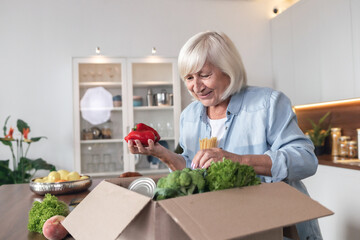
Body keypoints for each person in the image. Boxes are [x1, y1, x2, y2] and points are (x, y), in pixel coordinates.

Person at [128, 31, 322, 240]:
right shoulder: (190, 116)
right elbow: (194, 171)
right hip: (227, 228)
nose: (196, 86)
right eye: (189, 78)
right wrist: (162, 154)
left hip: (278, 228)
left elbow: (306, 160)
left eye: (204, 75)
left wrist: (238, 160)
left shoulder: (267, 104)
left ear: (228, 70)